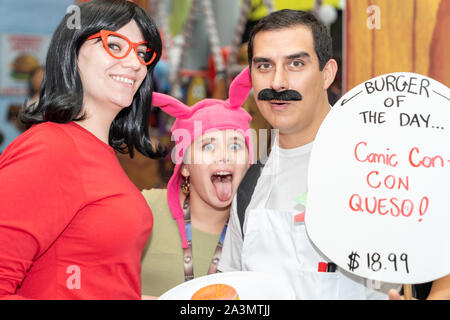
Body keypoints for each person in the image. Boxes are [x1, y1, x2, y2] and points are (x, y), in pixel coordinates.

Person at [218, 9, 403, 299]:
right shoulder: (250, 185)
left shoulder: (377, 168)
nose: (277, 82)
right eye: (264, 66)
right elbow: (232, 291)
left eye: (295, 64)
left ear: (327, 73)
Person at [0, 0, 164, 299]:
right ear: (72, 52)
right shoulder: (51, 148)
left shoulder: (100, 153)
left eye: (143, 53)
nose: (134, 63)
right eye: (114, 45)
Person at [140, 67, 254, 298]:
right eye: (208, 146)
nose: (224, 156)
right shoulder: (144, 209)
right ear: (184, 167)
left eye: (235, 145)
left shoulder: (259, 231)